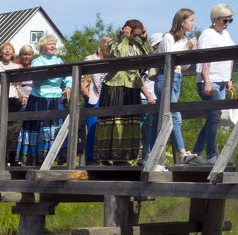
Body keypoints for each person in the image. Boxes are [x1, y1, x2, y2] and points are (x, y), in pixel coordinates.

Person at [94, 21, 156, 165]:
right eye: (134, 35)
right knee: (115, 122)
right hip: (115, 87)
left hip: (132, 87)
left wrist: (145, 39)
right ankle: (108, 157)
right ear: (127, 30)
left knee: (129, 123)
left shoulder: (138, 46)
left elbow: (151, 58)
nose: (136, 38)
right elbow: (119, 56)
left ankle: (123, 157)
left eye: (138, 35)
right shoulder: (114, 43)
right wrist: (125, 38)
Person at [14, 36, 72, 166]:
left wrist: (68, 86)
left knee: (55, 128)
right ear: (42, 47)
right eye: (49, 44)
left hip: (55, 98)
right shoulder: (37, 61)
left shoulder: (59, 60)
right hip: (39, 98)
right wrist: (55, 77)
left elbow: (67, 75)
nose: (52, 46)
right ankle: (36, 158)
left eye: (54, 44)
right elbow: (40, 78)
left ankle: (56, 156)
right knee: (39, 127)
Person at [151, 9, 197, 168]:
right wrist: (186, 48)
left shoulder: (183, 39)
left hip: (177, 77)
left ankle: (150, 155)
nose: (193, 23)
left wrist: (190, 51)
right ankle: (182, 154)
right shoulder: (168, 37)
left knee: (159, 118)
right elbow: (170, 59)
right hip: (166, 78)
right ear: (182, 21)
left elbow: (183, 66)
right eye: (191, 20)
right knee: (174, 116)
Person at [190, 4, 235, 165]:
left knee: (213, 118)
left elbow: (229, 57)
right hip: (210, 81)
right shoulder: (207, 35)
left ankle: (195, 152)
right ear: (214, 19)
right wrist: (207, 81)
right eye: (225, 20)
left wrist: (229, 79)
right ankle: (211, 155)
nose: (227, 23)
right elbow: (203, 60)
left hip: (222, 80)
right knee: (214, 117)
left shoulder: (226, 34)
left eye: (230, 20)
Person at [81, 37, 112, 164]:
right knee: (93, 128)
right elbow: (80, 78)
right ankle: (91, 157)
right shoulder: (90, 59)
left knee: (106, 129)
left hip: (107, 98)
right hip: (93, 97)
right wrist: (85, 93)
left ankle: (103, 156)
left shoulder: (110, 61)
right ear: (103, 46)